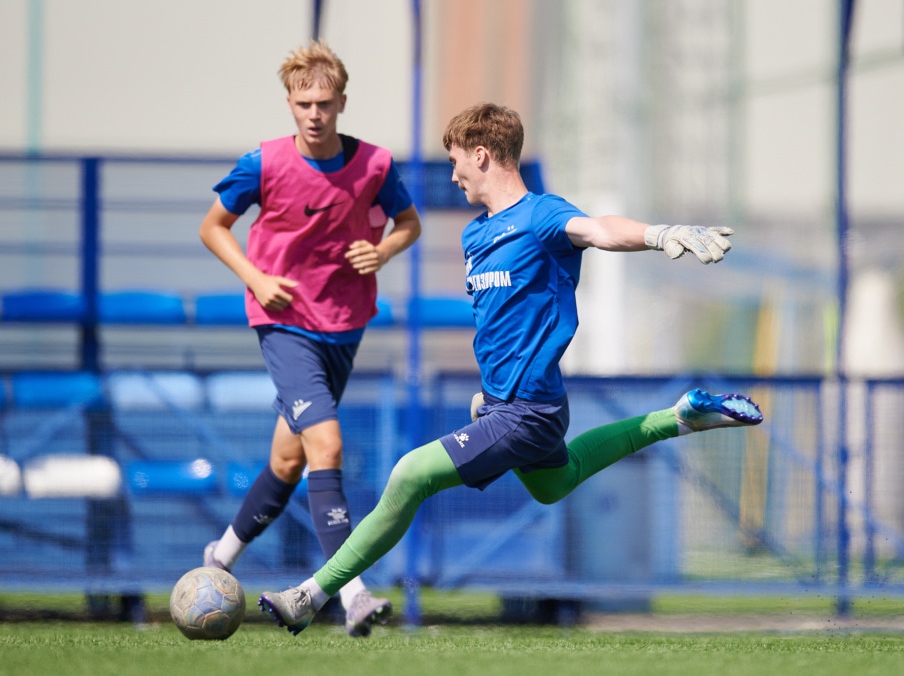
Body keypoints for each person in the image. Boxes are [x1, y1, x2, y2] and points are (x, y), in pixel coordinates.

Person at [256, 102, 764, 636]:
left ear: (481, 155)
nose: (453, 174)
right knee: (556, 482)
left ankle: (310, 595)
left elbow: (599, 229)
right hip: (514, 406)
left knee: (410, 474)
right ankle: (679, 417)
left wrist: (659, 234)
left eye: (456, 161)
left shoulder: (540, 215)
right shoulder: (475, 236)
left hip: (525, 412)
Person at [197, 39, 422, 637]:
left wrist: (383, 251)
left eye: (324, 103)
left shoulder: (373, 165)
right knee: (326, 445)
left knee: (289, 458)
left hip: (344, 323)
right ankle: (351, 593)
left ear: (342, 102)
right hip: (284, 322)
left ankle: (219, 557)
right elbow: (213, 227)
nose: (314, 114)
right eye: (303, 104)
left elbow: (409, 224)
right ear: (289, 104)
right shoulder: (264, 163)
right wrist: (256, 278)